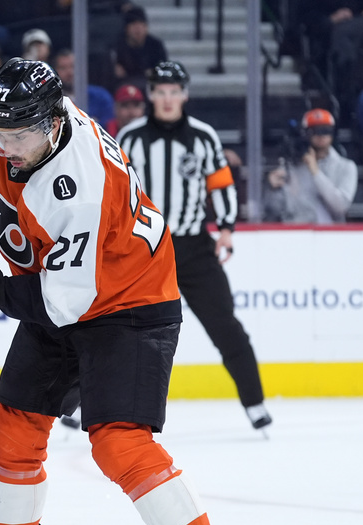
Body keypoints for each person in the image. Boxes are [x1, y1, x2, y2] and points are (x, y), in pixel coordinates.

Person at [0, 57, 264, 525]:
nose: (5, 145)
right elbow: (31, 206)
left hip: (128, 305)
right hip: (79, 290)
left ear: (52, 125)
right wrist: (5, 213)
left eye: (18, 136)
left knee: (119, 443)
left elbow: (64, 300)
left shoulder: (80, 184)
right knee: (13, 429)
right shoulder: (34, 130)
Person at [117, 61, 272, 431]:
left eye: (175, 92)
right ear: (151, 95)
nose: (168, 99)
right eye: (161, 92)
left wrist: (228, 228)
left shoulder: (203, 137)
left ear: (184, 95)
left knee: (226, 327)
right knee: (111, 327)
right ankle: (76, 405)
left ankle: (255, 403)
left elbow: (222, 184)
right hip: (144, 250)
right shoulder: (130, 138)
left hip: (194, 247)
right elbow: (115, 192)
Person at [264, 108, 358, 224]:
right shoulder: (293, 165)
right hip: (296, 233)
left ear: (333, 133)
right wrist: (272, 189)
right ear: (305, 134)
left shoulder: (346, 167)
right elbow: (274, 211)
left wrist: (315, 172)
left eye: (326, 130)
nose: (321, 136)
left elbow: (341, 206)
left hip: (331, 236)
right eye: (315, 131)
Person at [113, 6, 167, 86]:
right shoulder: (118, 45)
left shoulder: (156, 45)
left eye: (142, 25)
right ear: (126, 28)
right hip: (125, 86)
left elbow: (163, 68)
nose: (138, 29)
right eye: (134, 25)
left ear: (146, 28)